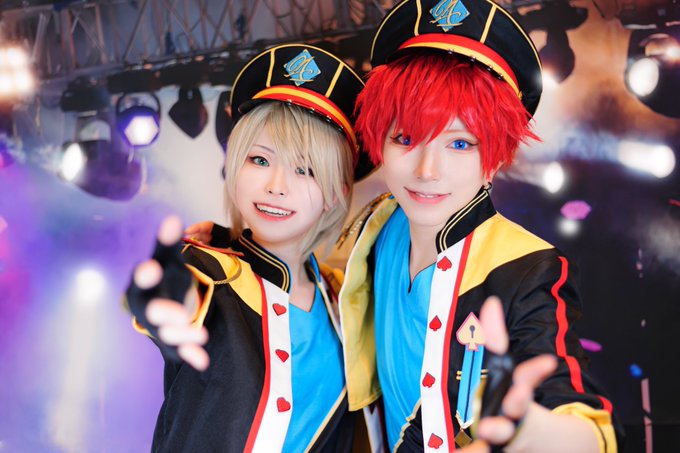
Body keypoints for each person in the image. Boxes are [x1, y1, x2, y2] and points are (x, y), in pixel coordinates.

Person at [335, 0, 619, 451]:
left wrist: (536, 433)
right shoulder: (376, 228)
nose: (427, 171)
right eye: (405, 138)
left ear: (494, 157)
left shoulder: (527, 268)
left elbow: (571, 408)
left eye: (460, 143)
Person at [126, 44, 381, 452]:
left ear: (336, 192)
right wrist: (164, 298)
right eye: (260, 160)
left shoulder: (341, 298)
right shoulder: (209, 271)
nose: (276, 185)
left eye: (305, 169)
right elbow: (180, 298)